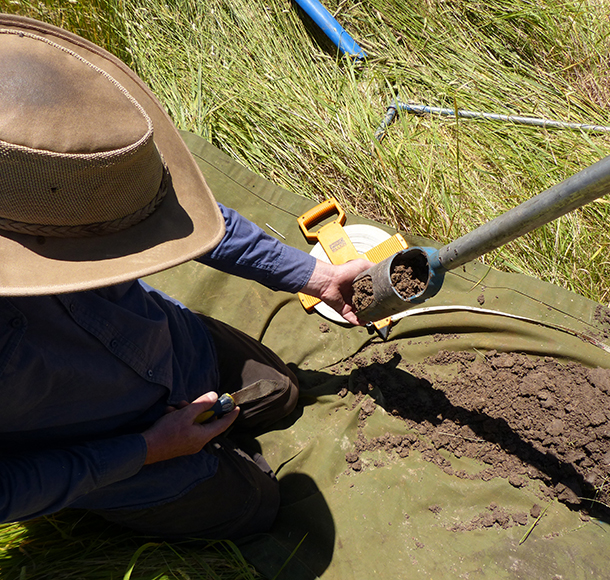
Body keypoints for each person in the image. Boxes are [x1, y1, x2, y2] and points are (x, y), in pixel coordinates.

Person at [0, 15, 371, 539]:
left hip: (168, 345)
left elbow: (169, 209)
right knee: (257, 506)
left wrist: (313, 275)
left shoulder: (30, 152)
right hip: (103, 452)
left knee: (282, 394)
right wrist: (150, 448)